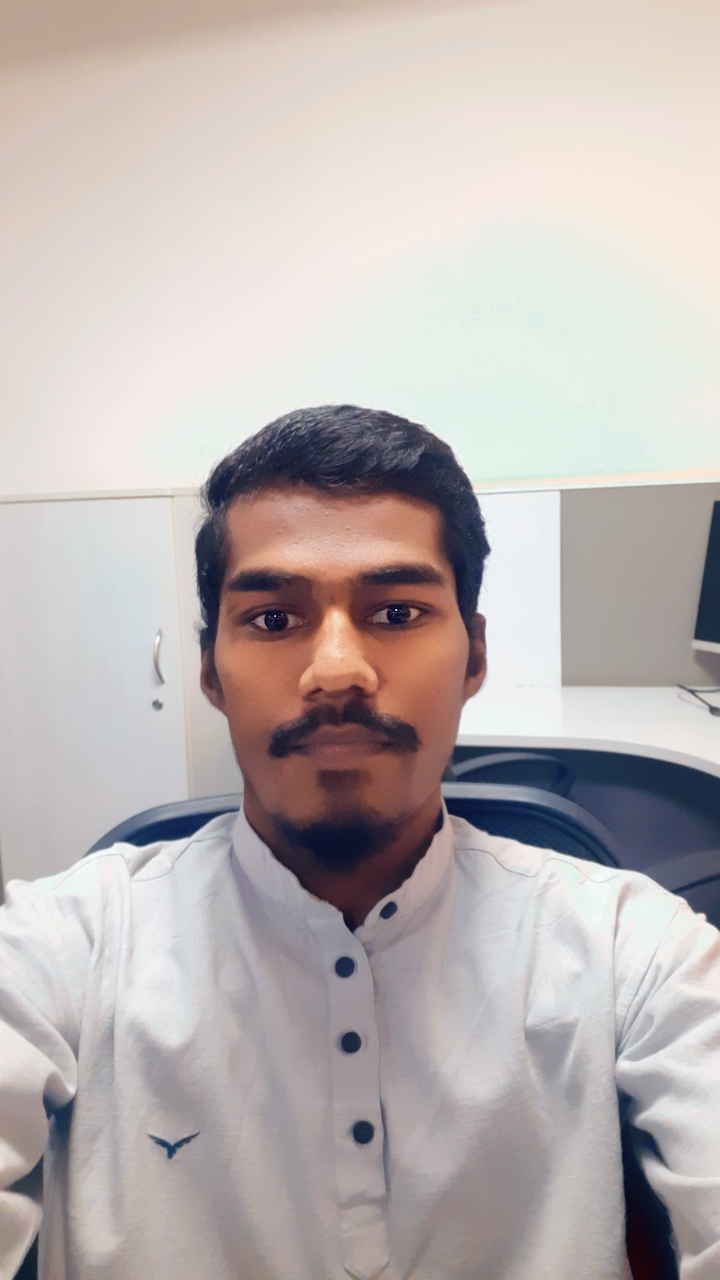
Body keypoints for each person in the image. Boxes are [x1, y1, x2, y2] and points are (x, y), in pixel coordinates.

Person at [0, 405, 718, 1280]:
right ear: (208, 669)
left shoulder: (635, 952)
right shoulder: (61, 951)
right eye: (273, 619)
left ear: (474, 656)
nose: (337, 670)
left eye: (397, 611)